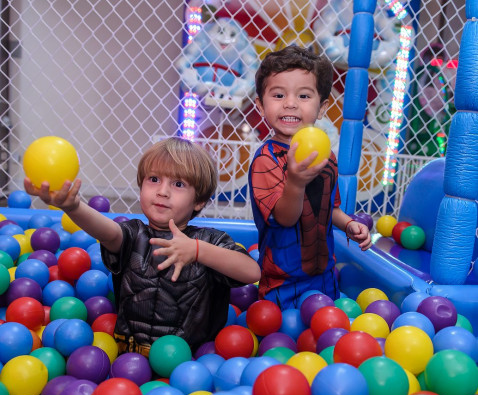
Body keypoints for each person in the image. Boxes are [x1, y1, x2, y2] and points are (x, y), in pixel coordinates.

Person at [25, 137, 261, 356]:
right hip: (128, 358)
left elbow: (252, 272)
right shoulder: (132, 235)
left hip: (190, 362)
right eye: (154, 179)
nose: (162, 191)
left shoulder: (209, 241)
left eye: (178, 184)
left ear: (199, 200)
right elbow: (106, 231)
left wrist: (197, 250)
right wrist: (73, 206)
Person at [248, 45, 371, 310]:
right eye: (278, 95)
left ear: (322, 107)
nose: (290, 103)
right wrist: (295, 182)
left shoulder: (327, 157)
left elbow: (329, 209)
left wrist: (349, 224)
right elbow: (285, 218)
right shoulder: (266, 160)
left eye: (303, 95)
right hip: (281, 280)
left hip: (323, 274)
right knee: (279, 330)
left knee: (328, 327)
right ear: (261, 105)